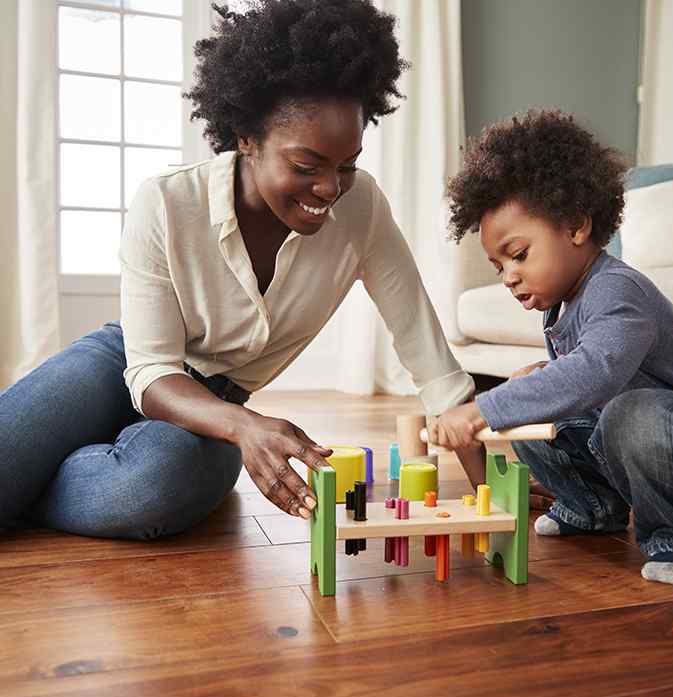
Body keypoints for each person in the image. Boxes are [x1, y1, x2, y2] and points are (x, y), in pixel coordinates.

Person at [0, 0, 473, 539]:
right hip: (124, 366)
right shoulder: (167, 202)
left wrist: (492, 482)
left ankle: (31, 483)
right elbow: (152, 370)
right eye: (305, 165)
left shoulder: (361, 209)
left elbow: (430, 359)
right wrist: (248, 427)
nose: (329, 189)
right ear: (248, 137)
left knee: (150, 488)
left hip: (217, 408)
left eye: (347, 165)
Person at [430, 109, 673, 585]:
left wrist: (481, 409)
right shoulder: (561, 305)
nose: (509, 276)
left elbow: (597, 373)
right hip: (630, 433)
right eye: (499, 267)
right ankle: (593, 508)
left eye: (518, 255)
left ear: (576, 226)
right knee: (532, 403)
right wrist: (527, 386)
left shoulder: (619, 290)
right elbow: (575, 390)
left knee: (628, 415)